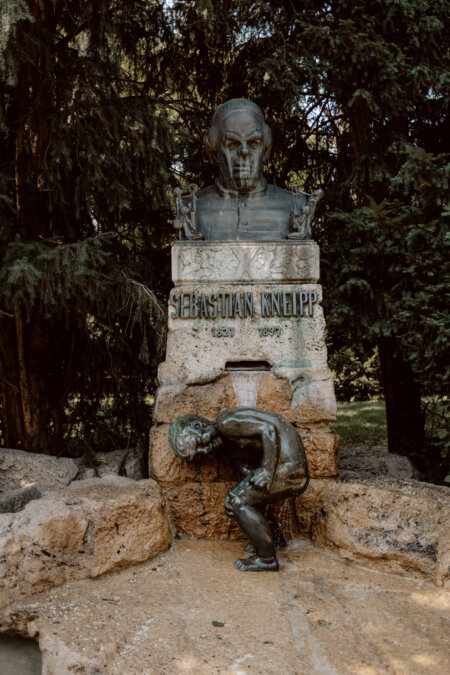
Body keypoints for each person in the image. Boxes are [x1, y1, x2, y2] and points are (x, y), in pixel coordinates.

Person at [168, 408, 310, 571]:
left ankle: (267, 559)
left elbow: (267, 429)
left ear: (198, 424)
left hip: (290, 468)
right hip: (286, 467)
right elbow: (247, 471)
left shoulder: (226, 423)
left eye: (199, 443)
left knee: (239, 500)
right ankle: (275, 539)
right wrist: (244, 490)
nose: (205, 450)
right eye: (199, 455)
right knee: (243, 498)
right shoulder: (228, 446)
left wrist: (266, 470)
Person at [193, 99, 306, 241]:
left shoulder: (296, 207)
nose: (244, 152)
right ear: (214, 153)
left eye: (253, 143)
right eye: (233, 144)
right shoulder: (193, 208)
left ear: (265, 151)